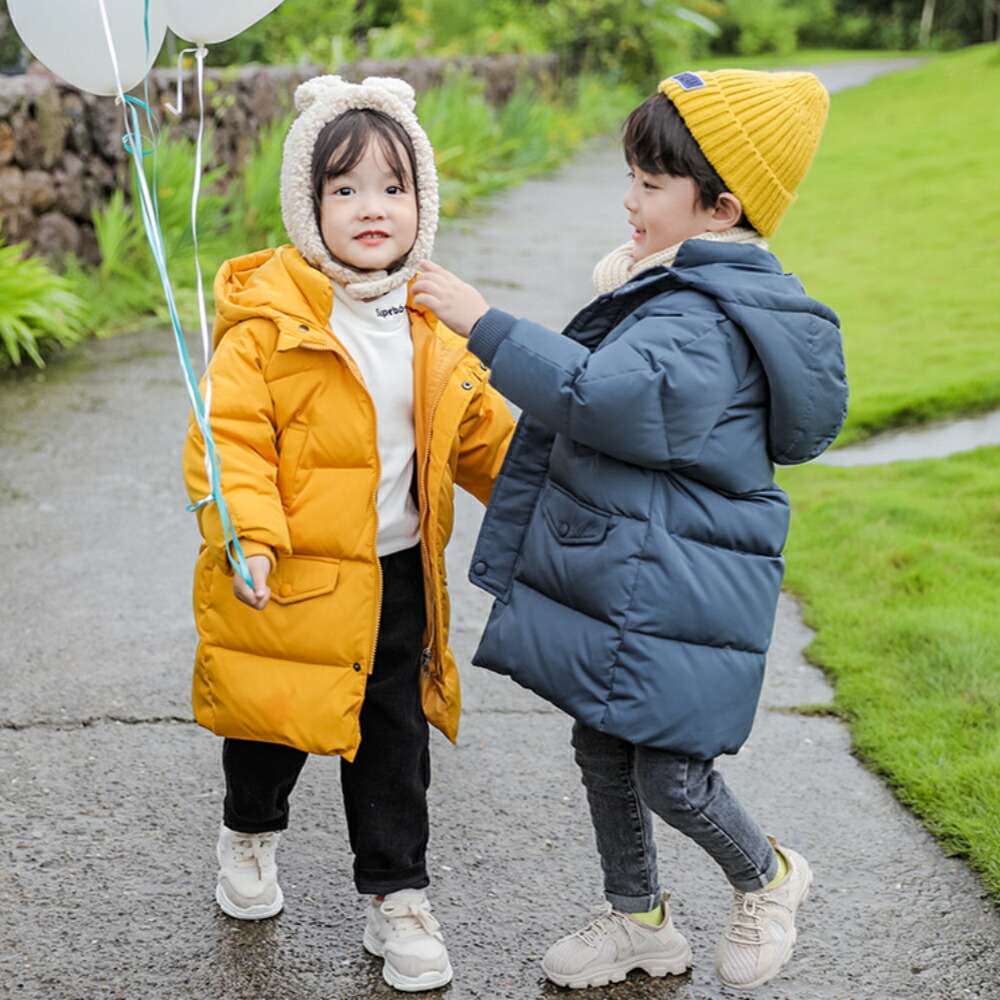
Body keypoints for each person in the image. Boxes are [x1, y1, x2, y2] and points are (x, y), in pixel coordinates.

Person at [412, 68, 848, 991]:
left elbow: (598, 397)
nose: (630, 198)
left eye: (652, 185)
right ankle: (640, 919)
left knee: (672, 774)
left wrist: (482, 323)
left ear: (722, 207)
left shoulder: (701, 322)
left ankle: (769, 876)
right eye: (634, 178)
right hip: (646, 581)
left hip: (679, 591)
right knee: (602, 746)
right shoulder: (683, 292)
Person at [182, 74, 514, 993]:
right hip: (285, 572)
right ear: (308, 204)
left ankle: (395, 895)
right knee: (271, 722)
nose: (373, 208)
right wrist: (249, 535)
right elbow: (231, 445)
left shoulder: (433, 325)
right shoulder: (265, 327)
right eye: (345, 189)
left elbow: (484, 437)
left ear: (422, 204)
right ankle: (248, 835)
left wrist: (571, 487)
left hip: (399, 573)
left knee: (392, 738)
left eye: (393, 187)